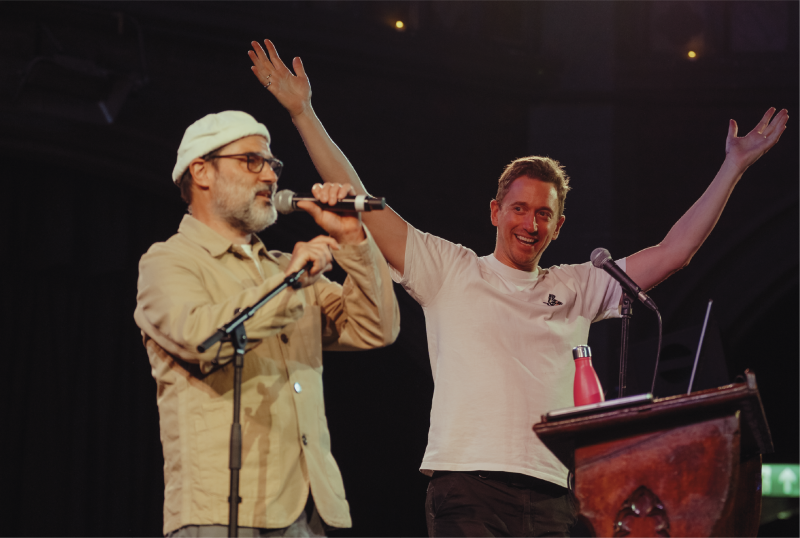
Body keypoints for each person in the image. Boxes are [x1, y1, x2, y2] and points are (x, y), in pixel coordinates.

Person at [249, 38, 788, 538]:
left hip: (556, 494)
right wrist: (303, 112)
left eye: (544, 215)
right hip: (467, 485)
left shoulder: (577, 284)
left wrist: (733, 167)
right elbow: (359, 201)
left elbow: (674, 253)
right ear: (495, 212)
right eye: (520, 209)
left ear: (559, 226)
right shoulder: (450, 269)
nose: (530, 224)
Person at [134, 107, 400, 538]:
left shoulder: (284, 269)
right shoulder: (168, 262)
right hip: (220, 511)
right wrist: (293, 285)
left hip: (305, 511)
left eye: (272, 164)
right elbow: (203, 339)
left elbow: (376, 327)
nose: (271, 177)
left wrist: (354, 241)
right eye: (251, 161)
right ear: (201, 172)